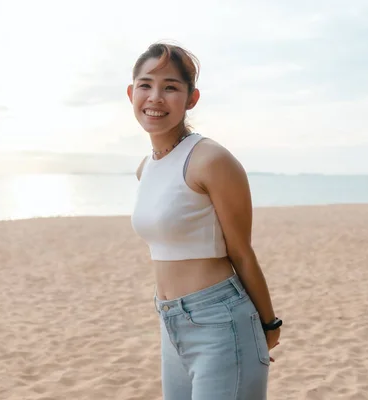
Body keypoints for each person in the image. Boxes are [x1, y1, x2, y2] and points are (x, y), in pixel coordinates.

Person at [128, 42, 282, 399]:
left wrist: (269, 324)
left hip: (219, 320)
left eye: (171, 87)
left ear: (191, 98)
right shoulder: (145, 167)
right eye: (146, 85)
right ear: (131, 92)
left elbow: (242, 251)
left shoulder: (210, 159)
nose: (155, 97)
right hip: (170, 321)